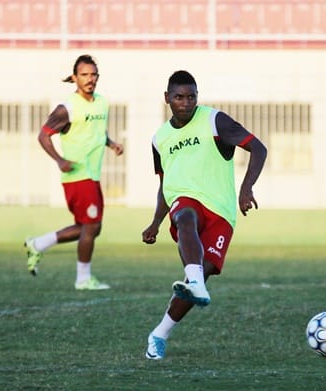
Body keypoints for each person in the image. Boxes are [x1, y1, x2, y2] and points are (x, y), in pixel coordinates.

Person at [141, 70, 267, 359]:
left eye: (191, 97)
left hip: (221, 211)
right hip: (184, 200)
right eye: (179, 97)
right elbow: (165, 183)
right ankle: (195, 280)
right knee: (185, 216)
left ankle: (159, 334)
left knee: (204, 270)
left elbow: (258, 148)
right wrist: (156, 222)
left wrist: (246, 188)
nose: (185, 103)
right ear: (167, 98)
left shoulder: (214, 121)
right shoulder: (159, 139)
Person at [24, 54, 123, 290]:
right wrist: (59, 160)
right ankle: (83, 279)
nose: (90, 79)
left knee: (91, 227)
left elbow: (96, 130)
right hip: (77, 176)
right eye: (84, 75)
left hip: (92, 175)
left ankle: (38, 244)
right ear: (75, 78)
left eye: (93, 74)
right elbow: (43, 135)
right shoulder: (67, 108)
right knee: (91, 226)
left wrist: (111, 144)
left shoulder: (102, 103)